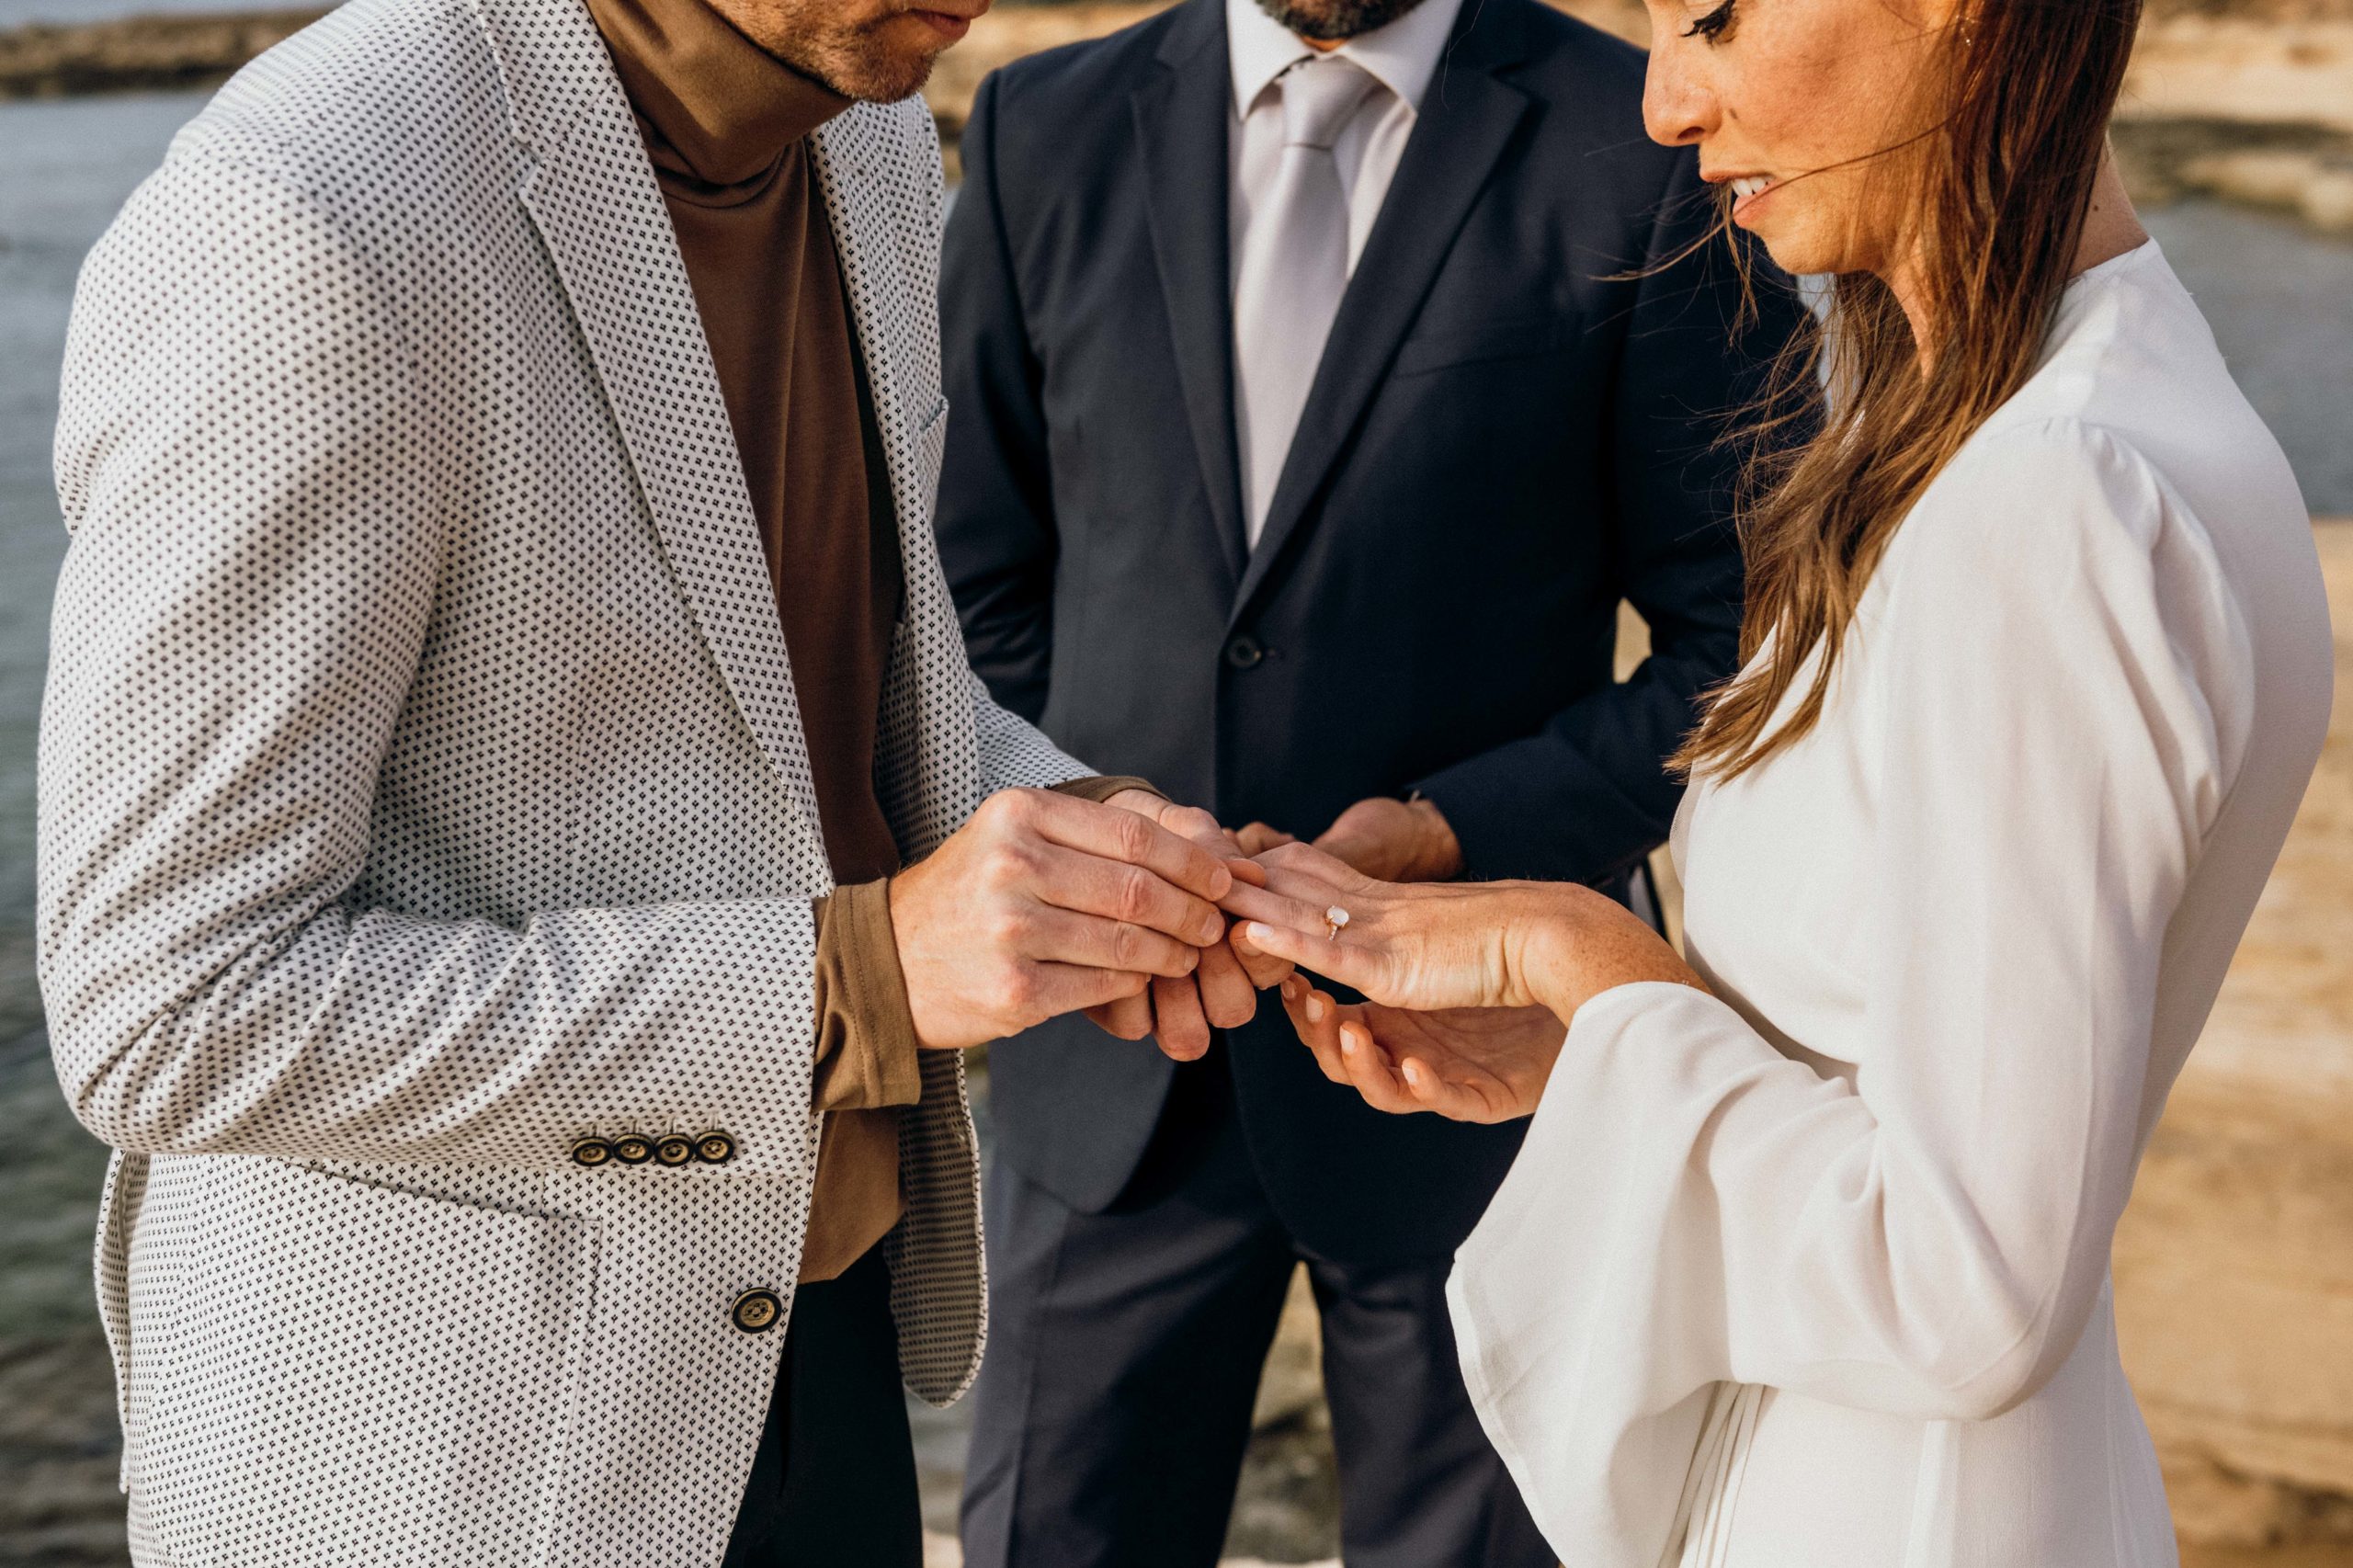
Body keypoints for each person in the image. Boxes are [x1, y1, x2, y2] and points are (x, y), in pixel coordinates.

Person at [37, 0, 1277, 1559]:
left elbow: (826, 698)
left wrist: (1070, 829)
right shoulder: (307, 210)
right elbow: (164, 1007)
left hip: (815, 1353)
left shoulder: (875, 126)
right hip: (440, 1473)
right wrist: (856, 982)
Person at [1226, 0, 2336, 1562]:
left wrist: (1576, 955)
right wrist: (1594, 1052)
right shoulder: (2074, 415)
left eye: (1720, 17)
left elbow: (1968, 1294)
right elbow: (1911, 1078)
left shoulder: (2054, 506)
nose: (1667, 104)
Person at [933, 0, 1798, 1556]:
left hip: (1479, 1073)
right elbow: (971, 599)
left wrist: (1463, 833)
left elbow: (1737, 641)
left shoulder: (1648, 144)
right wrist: (1097, 819)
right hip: (1108, 1051)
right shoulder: (1034, 128)